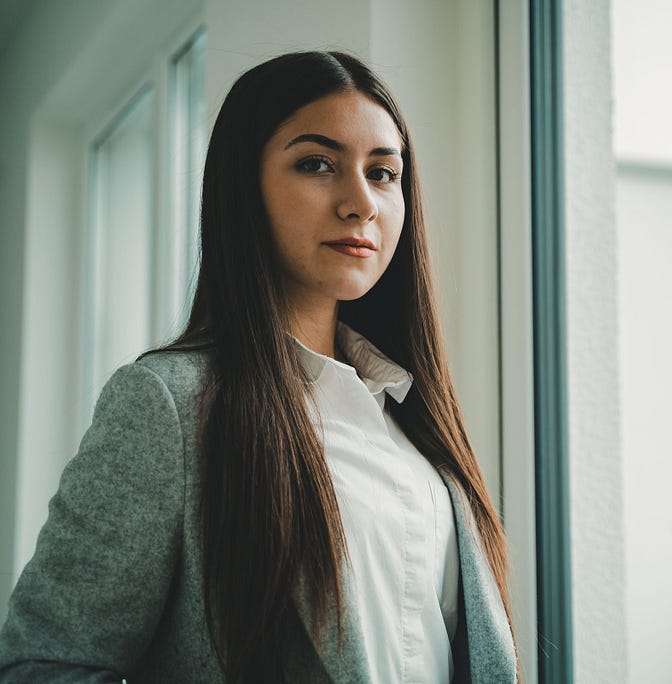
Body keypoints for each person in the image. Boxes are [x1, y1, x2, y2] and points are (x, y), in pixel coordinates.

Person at [0, 51, 519, 683]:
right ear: (243, 187)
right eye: (317, 164)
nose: (361, 202)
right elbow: (43, 665)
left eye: (384, 174)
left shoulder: (416, 424)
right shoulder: (168, 406)